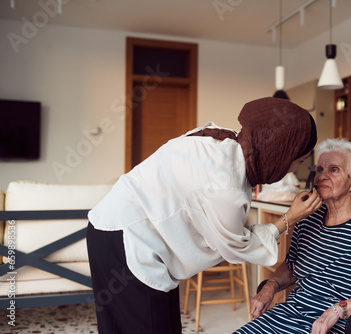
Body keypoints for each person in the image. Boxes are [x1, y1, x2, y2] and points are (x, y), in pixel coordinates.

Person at [86, 97, 323, 334]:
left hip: (122, 229)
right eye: (299, 161)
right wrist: (288, 218)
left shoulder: (226, 141)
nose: (294, 170)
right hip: (124, 239)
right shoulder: (227, 183)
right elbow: (235, 247)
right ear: (279, 152)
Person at [235, 138, 351, 334]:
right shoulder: (307, 219)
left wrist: (338, 310)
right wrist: (270, 286)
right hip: (295, 313)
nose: (321, 177)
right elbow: (292, 267)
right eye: (319, 170)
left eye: (334, 170)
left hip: (348, 324)